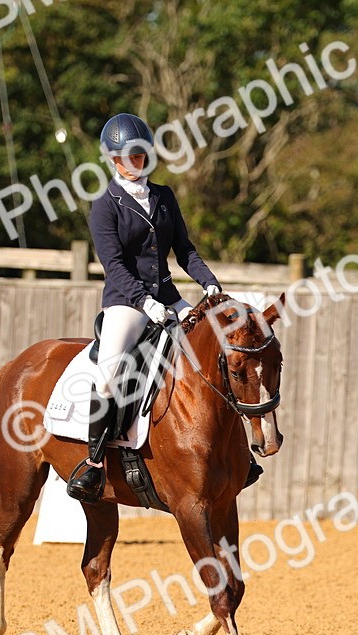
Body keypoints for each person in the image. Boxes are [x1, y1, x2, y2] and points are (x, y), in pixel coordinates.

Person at [66, 112, 262, 501]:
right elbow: (114, 265)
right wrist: (143, 301)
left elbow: (185, 250)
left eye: (142, 154)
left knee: (217, 349)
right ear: (113, 159)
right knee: (108, 374)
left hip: (169, 296)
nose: (138, 161)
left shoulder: (164, 196)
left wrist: (209, 282)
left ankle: (238, 451)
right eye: (131, 156)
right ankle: (94, 463)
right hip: (127, 302)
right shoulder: (105, 205)